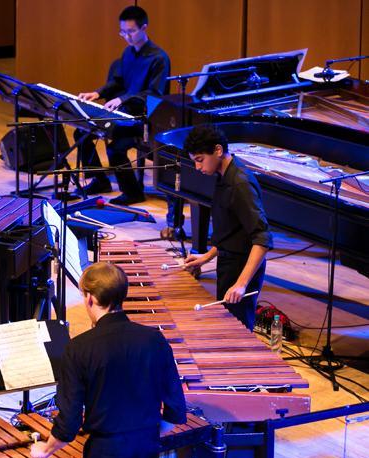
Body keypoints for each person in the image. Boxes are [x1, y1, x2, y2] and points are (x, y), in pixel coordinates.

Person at [30, 262, 186, 458]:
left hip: (106, 455)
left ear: (90, 298)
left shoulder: (78, 348)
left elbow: (69, 423)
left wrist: (45, 449)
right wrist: (143, 434)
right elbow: (175, 412)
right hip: (146, 447)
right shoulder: (154, 339)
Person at [75, 5, 170, 205]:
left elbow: (155, 94)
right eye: (123, 32)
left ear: (144, 28)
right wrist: (97, 93)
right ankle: (100, 180)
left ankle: (133, 193)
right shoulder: (128, 53)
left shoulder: (159, 58)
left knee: (115, 148)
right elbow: (118, 82)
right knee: (81, 132)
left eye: (131, 31)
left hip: (142, 118)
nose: (127, 37)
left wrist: (123, 99)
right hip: (123, 113)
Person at [182, 124, 272, 330]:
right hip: (229, 261)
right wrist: (207, 256)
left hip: (242, 266)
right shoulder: (224, 175)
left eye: (200, 160)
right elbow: (232, 230)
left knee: (238, 330)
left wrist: (241, 284)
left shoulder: (240, 183)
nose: (198, 168)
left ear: (218, 150)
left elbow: (262, 238)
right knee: (227, 324)